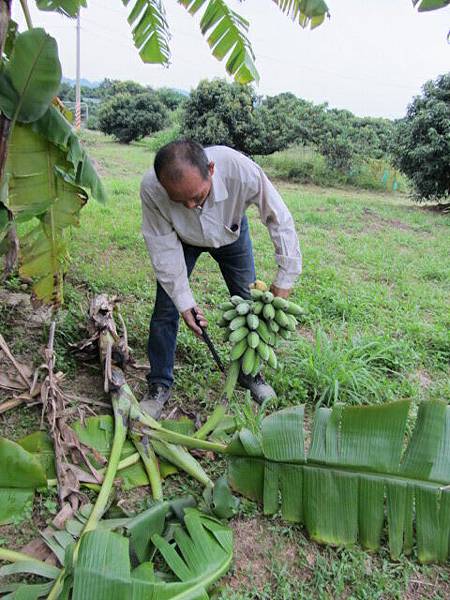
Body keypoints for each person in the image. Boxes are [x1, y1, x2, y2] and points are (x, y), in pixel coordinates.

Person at [140, 140, 302, 418]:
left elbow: (279, 218)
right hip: (181, 240)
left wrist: (284, 279)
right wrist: (184, 301)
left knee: (249, 306)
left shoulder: (240, 170)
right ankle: (159, 383)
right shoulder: (152, 189)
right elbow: (162, 249)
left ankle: (251, 375)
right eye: (181, 201)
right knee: (166, 310)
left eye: (198, 196)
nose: (191, 205)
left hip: (231, 235)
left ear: (211, 170)